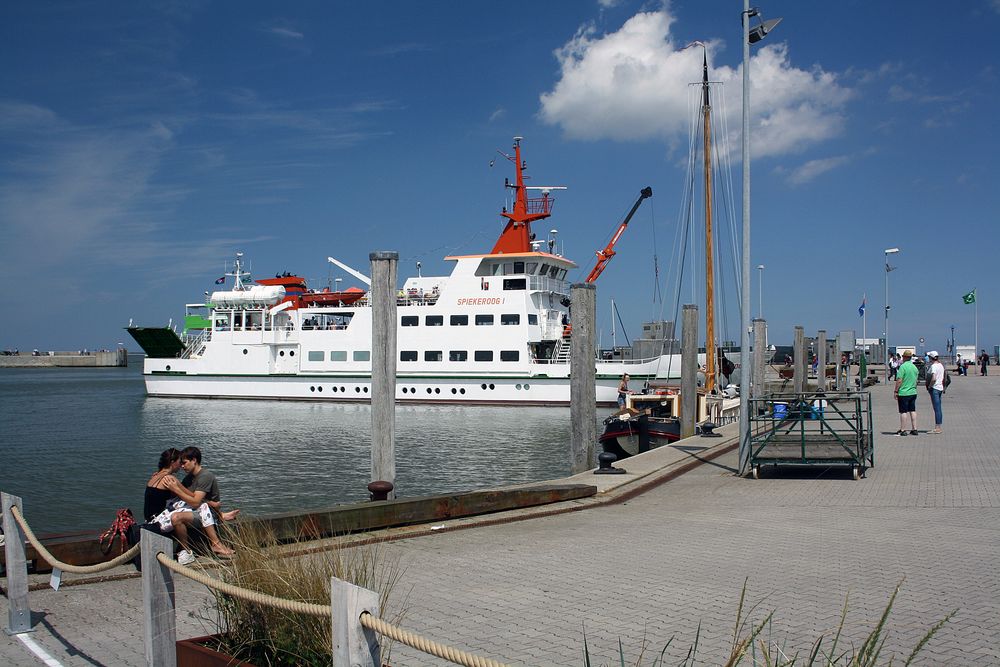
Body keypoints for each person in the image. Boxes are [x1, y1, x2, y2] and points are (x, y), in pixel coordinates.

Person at [171, 447, 239, 562]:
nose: (182, 466)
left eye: (184, 462)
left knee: (176, 518)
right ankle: (222, 515)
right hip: (195, 510)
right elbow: (188, 497)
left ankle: (193, 550)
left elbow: (196, 501)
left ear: (194, 460)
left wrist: (176, 488)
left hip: (207, 513)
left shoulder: (205, 476)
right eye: (181, 463)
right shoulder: (188, 479)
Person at [893, 349, 919, 436]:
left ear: (904, 357)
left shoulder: (903, 367)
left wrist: (896, 391)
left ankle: (903, 429)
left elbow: (899, 380)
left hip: (904, 392)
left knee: (903, 411)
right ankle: (914, 429)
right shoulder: (914, 367)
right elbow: (916, 380)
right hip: (913, 391)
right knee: (912, 410)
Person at [926, 351, 945, 434]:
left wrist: (930, 386)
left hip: (935, 388)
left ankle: (937, 428)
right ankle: (939, 426)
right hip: (940, 388)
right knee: (938, 408)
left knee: (936, 408)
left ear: (931, 358)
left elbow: (933, 378)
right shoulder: (941, 365)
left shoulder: (934, 366)